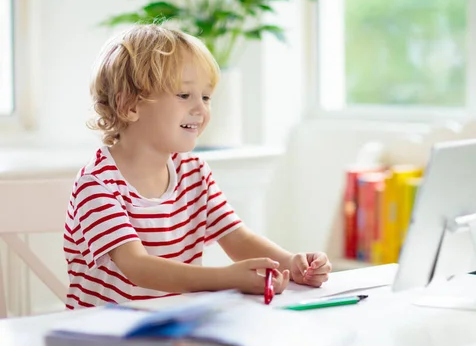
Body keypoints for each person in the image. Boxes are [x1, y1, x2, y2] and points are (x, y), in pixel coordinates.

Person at [63, 24, 332, 309]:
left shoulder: (193, 172)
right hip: (105, 340)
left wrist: (290, 263)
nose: (201, 110)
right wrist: (227, 278)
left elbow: (237, 237)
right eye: (184, 95)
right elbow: (138, 267)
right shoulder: (97, 184)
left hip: (175, 331)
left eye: (206, 97)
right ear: (130, 105)